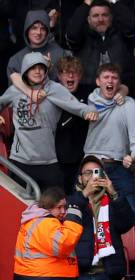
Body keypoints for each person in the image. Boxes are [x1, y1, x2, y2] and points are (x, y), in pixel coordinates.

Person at [0, 52, 98, 191]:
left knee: (55, 207)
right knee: (19, 209)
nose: (38, 71)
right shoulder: (14, 90)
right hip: (20, 161)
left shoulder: (54, 89)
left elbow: (76, 106)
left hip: (48, 162)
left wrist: (88, 111)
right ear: (26, 70)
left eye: (41, 67)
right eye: (33, 67)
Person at [84, 63, 135, 236]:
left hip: (117, 167)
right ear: (97, 81)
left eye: (114, 78)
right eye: (106, 77)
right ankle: (91, 259)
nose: (110, 81)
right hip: (91, 168)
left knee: (134, 217)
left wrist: (133, 157)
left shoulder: (128, 104)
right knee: (88, 216)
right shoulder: (87, 102)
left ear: (119, 83)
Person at [65, 0, 135, 95]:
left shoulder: (122, 35)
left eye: (105, 15)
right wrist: (86, 4)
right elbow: (72, 34)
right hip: (87, 92)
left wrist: (113, 1)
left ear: (111, 18)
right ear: (88, 20)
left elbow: (133, 27)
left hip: (121, 91)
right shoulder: (82, 37)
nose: (100, 19)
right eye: (95, 16)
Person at [7, 10, 67, 95]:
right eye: (34, 28)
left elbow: (67, 88)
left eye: (42, 29)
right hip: (26, 105)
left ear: (47, 31)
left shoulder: (60, 54)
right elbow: (12, 94)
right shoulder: (15, 60)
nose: (38, 32)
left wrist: (49, 70)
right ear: (27, 30)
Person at [55, 56, 90, 194]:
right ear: (59, 76)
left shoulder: (90, 93)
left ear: (80, 76)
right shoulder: (51, 94)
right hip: (57, 161)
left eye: (74, 72)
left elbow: (114, 86)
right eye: (65, 72)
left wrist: (123, 91)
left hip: (82, 160)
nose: (70, 75)